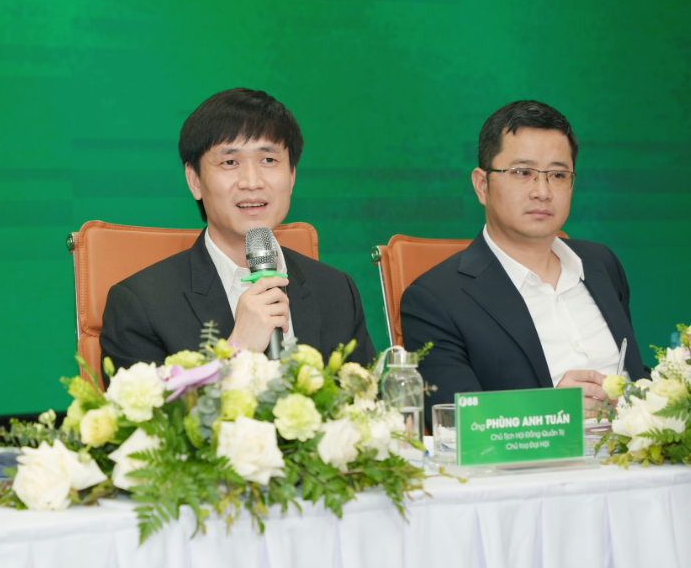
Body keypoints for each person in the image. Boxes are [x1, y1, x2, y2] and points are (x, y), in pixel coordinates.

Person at [400, 100, 649, 426]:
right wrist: (553, 412)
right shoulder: (435, 300)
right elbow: (457, 423)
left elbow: (636, 375)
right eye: (522, 173)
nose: (542, 191)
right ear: (482, 185)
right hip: (535, 460)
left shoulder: (601, 264)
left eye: (557, 175)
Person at [100, 87, 376, 372]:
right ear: (194, 180)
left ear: (292, 175)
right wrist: (237, 350)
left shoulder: (337, 291)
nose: (252, 182)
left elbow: (367, 398)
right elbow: (146, 404)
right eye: (230, 162)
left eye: (268, 160)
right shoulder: (141, 305)